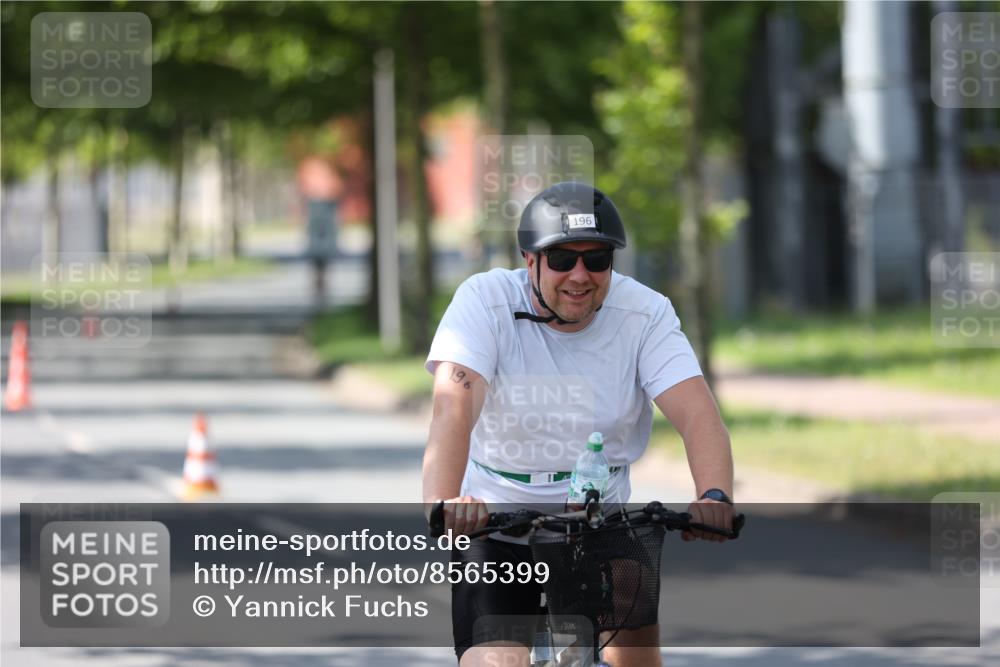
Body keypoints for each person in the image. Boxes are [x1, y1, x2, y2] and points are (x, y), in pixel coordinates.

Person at [422, 181, 735, 667]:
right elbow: (452, 410)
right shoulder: (484, 302)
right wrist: (444, 504)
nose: (580, 275)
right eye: (563, 259)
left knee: (636, 661)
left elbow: (699, 416)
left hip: (600, 522)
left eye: (597, 259)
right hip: (498, 524)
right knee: (496, 662)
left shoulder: (644, 313)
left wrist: (713, 495)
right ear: (530, 260)